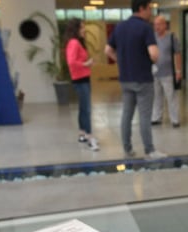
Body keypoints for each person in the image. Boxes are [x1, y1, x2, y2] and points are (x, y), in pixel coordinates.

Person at [105, 0, 167, 160]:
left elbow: (108, 50)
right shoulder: (145, 28)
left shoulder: (120, 27)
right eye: (149, 8)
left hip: (125, 79)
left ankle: (127, 149)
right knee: (145, 116)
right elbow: (154, 54)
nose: (151, 12)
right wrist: (153, 60)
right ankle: (150, 150)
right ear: (141, 8)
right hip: (143, 79)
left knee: (127, 114)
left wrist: (120, 61)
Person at [64, 18, 99, 151]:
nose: (84, 30)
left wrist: (87, 64)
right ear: (76, 29)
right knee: (87, 109)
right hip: (80, 79)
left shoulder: (76, 42)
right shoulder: (74, 42)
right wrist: (86, 64)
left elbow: (75, 61)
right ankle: (90, 137)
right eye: (82, 27)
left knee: (83, 108)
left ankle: (82, 133)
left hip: (82, 78)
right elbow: (71, 62)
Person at [150, 15, 182, 128]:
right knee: (156, 96)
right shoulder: (152, 37)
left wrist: (178, 71)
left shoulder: (172, 37)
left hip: (168, 73)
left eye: (159, 24)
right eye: (155, 25)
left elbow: (177, 54)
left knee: (171, 96)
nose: (157, 27)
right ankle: (156, 117)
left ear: (165, 25)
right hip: (155, 73)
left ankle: (175, 119)